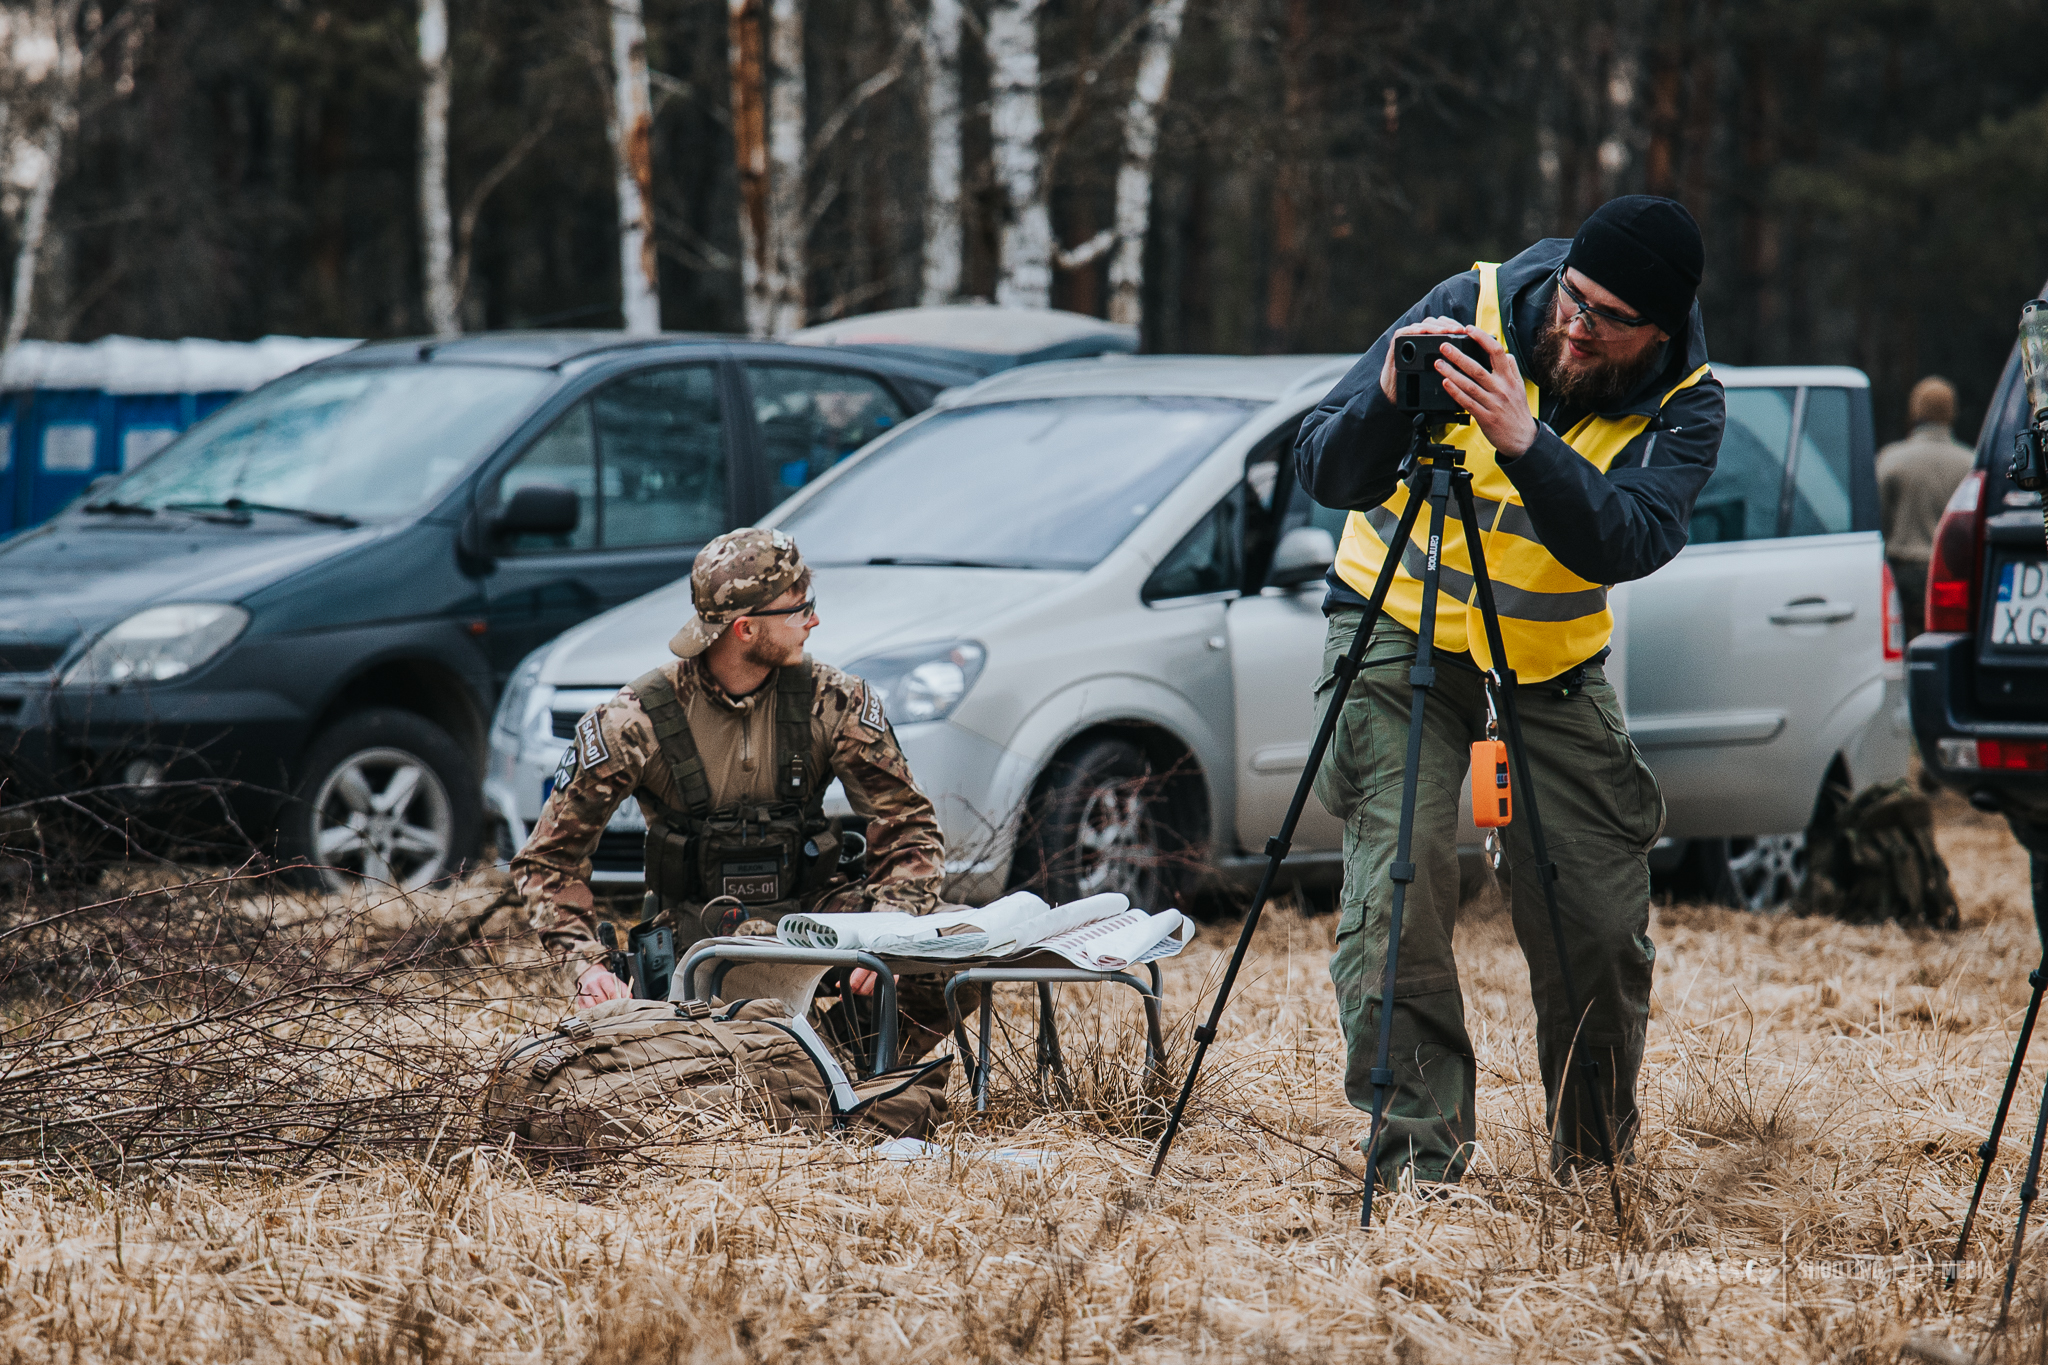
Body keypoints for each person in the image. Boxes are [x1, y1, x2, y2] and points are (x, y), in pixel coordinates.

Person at [1294, 195, 1727, 1189]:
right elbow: (1322, 465)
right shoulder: (1468, 303)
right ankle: (1416, 1171)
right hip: (1393, 630)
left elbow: (1629, 538)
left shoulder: (1687, 402)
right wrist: (1387, 396)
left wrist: (1525, 441)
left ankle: (1590, 1170)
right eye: (1574, 296)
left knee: (1597, 924)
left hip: (1551, 667)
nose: (1576, 324)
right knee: (1397, 884)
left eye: (1609, 318)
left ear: (1656, 332)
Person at [512, 526, 970, 1060]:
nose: (814, 620)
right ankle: (757, 1068)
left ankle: (839, 1072)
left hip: (814, 918)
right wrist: (585, 965)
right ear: (746, 629)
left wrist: (893, 927)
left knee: (954, 948)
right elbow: (548, 863)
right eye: (800, 607)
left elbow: (909, 826)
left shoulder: (835, 700)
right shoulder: (635, 720)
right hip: (693, 935)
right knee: (631, 1042)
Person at [1878, 376, 1975, 642]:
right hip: (1952, 579)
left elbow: (1878, 524)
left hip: (1903, 578)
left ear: (1914, 411)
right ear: (1951, 413)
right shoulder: (1971, 463)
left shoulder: (1890, 460)